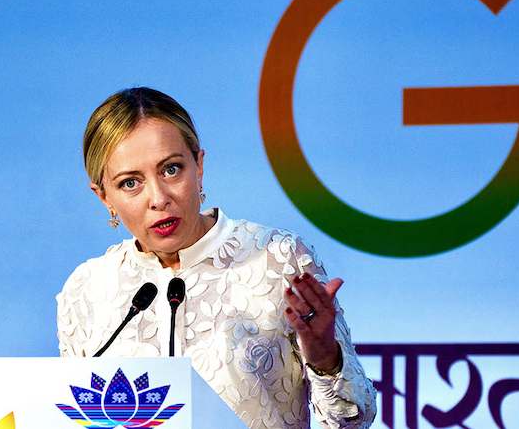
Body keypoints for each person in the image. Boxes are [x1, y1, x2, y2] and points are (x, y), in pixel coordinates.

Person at [56, 87, 377, 428]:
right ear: (104, 197)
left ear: (199, 165)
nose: (158, 198)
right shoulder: (87, 290)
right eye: (130, 183)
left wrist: (327, 359)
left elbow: (353, 421)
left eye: (171, 169)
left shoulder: (275, 259)